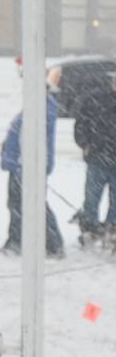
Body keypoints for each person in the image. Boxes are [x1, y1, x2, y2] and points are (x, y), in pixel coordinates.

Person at [0, 88, 65, 257]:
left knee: (33, 205)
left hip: (27, 166)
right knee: (17, 204)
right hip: (20, 165)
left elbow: (31, 138)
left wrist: (24, 161)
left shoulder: (42, 109)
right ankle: (17, 240)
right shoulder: (34, 107)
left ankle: (52, 244)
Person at [76, 66, 116, 245]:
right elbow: (81, 125)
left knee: (104, 199)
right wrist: (85, 143)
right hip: (97, 157)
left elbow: (81, 124)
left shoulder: (93, 99)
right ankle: (92, 230)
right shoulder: (95, 100)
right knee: (92, 198)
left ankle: (110, 230)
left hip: (100, 155)